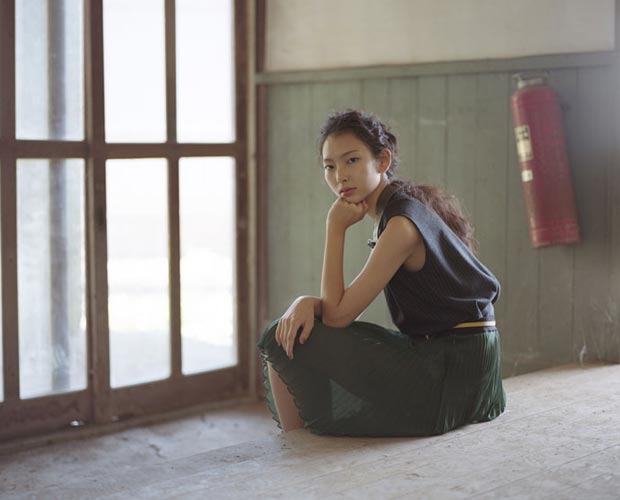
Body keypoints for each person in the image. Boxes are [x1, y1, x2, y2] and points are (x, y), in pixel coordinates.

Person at [256, 109, 506, 437]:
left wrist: (334, 228)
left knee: (283, 338)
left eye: (352, 160)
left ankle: (298, 445)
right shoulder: (398, 209)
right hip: (457, 362)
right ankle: (302, 442)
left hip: (451, 373)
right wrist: (307, 303)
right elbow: (338, 311)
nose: (340, 176)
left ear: (382, 161)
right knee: (292, 329)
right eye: (329, 166)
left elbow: (337, 317)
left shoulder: (401, 225)